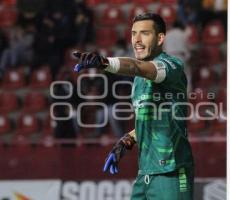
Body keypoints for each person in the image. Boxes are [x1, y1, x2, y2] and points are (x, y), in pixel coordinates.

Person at [73, 13, 194, 200]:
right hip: (145, 173)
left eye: (144, 33)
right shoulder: (138, 81)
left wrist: (105, 62)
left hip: (171, 171)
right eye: (133, 33)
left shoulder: (171, 66)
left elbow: (137, 67)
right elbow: (150, 120)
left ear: (160, 38)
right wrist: (126, 141)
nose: (136, 40)